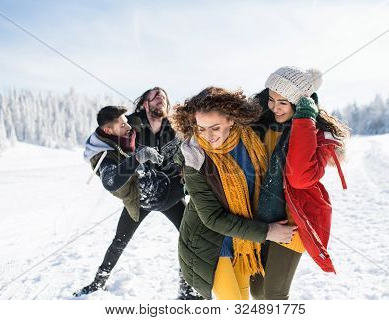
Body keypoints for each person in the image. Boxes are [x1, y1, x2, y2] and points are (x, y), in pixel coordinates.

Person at [170, 87, 297, 300]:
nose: (207, 136)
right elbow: (212, 218)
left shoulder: (251, 136)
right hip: (210, 245)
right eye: (200, 129)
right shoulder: (194, 159)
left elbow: (281, 97)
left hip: (245, 242)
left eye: (215, 127)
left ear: (231, 120)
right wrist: (267, 232)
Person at [75, 88, 201, 299]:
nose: (161, 100)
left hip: (170, 191)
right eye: (155, 97)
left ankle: (187, 288)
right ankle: (99, 281)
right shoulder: (131, 124)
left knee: (189, 237)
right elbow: (105, 132)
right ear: (145, 103)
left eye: (164, 98)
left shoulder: (174, 128)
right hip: (141, 194)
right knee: (120, 239)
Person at [249, 66, 350, 300]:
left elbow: (300, 177)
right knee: (256, 290)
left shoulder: (317, 134)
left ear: (299, 102)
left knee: (274, 294)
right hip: (259, 216)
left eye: (283, 102)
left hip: (292, 221)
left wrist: (305, 119)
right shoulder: (263, 123)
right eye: (271, 99)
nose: (275, 107)